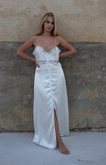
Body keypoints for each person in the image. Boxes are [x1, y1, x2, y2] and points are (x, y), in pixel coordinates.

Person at [17, 12, 76, 154]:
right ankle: (52, 138)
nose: (50, 25)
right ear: (43, 23)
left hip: (57, 74)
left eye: (52, 23)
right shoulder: (34, 39)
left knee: (54, 105)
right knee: (47, 105)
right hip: (41, 74)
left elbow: (72, 50)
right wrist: (34, 60)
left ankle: (59, 141)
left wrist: (57, 56)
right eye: (47, 22)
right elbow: (20, 52)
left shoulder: (58, 39)